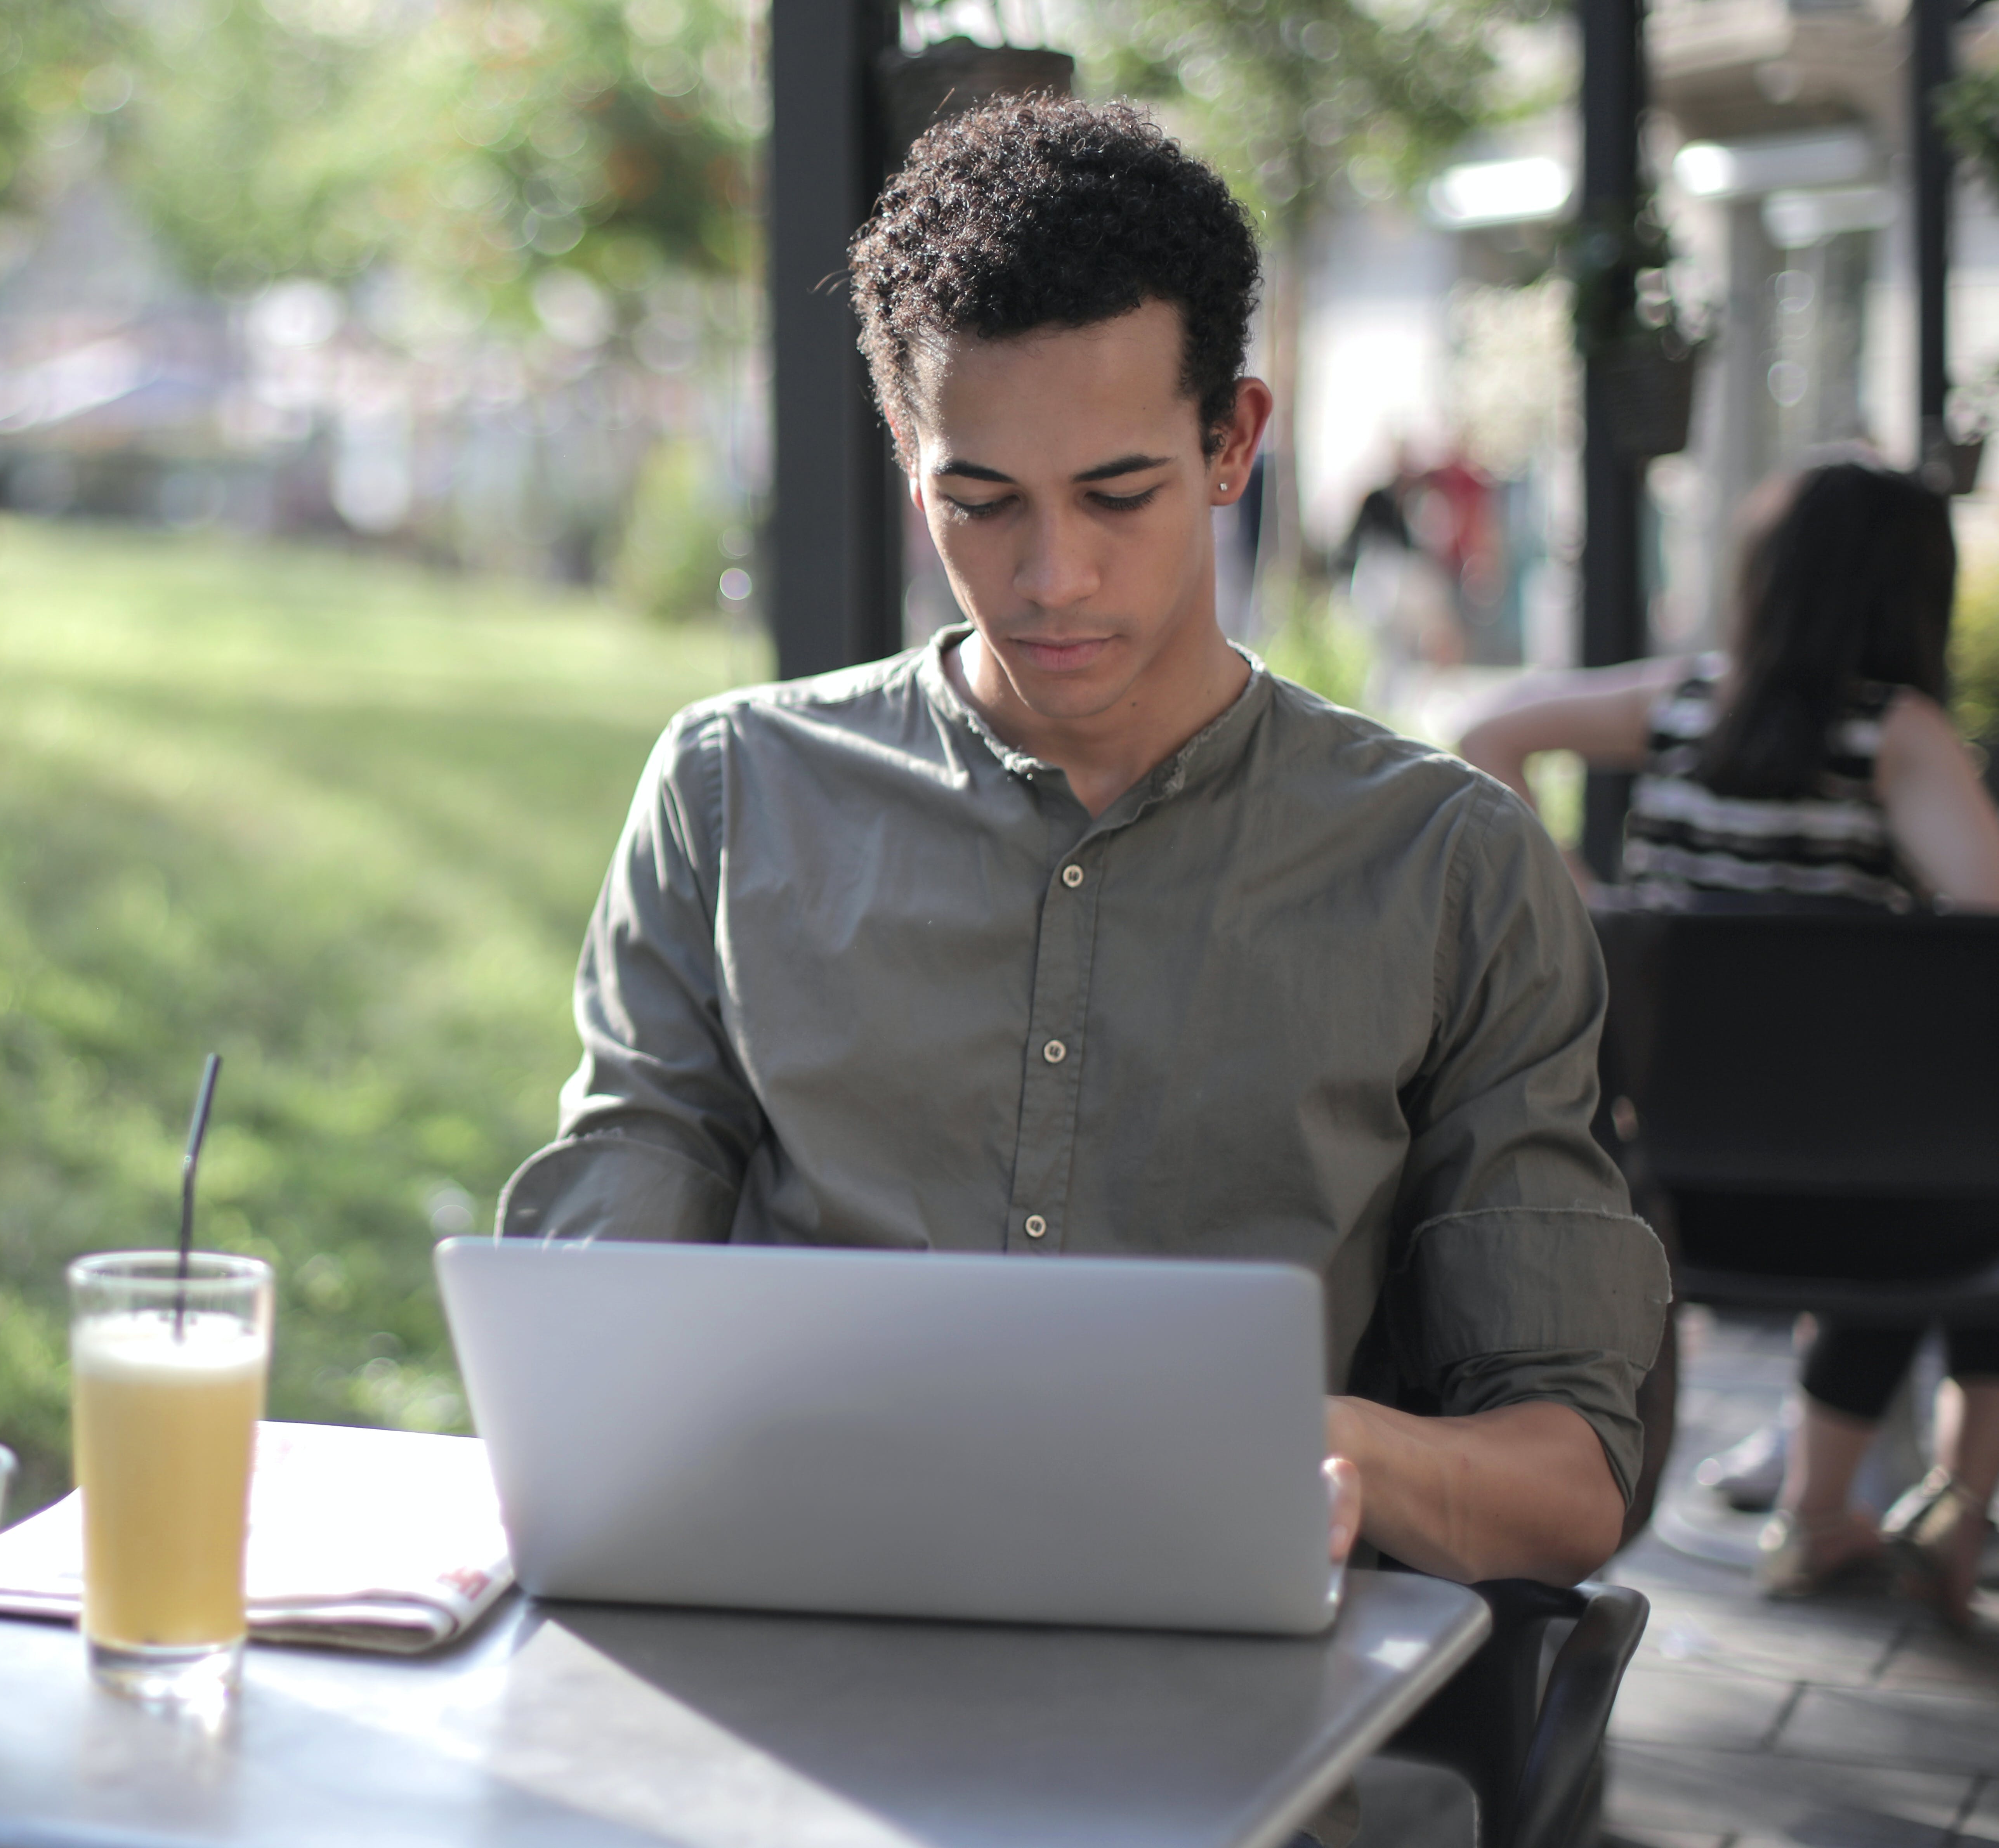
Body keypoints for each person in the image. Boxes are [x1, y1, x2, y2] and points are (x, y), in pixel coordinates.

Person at [501, 97, 1666, 1606]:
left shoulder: (1445, 869)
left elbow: (1569, 1477)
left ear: (1229, 441)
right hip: (794, 1650)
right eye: (977, 504)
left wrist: (1308, 1449)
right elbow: (594, 1335)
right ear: (907, 457)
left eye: (1117, 495)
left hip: (1231, 1725)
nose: (1051, 580)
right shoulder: (732, 798)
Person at [1457, 461, 1999, 1622]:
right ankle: (1916, 1510)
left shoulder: (1681, 704)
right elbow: (1986, 917)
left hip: (1666, 1188)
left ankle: (1833, 1507)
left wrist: (1589, 904)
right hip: (1874, 1214)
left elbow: (1486, 732)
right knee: (1972, 1183)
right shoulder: (1898, 737)